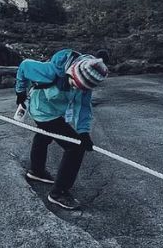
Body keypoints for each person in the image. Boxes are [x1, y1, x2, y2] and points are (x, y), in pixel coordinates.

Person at [14, 49, 108, 209]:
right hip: (41, 110)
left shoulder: (88, 77)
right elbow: (24, 66)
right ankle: (59, 193)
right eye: (75, 84)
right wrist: (20, 91)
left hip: (57, 111)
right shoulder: (50, 72)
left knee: (45, 135)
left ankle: (36, 171)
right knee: (75, 148)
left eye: (81, 88)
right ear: (72, 72)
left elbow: (83, 106)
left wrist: (83, 132)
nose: (77, 89)